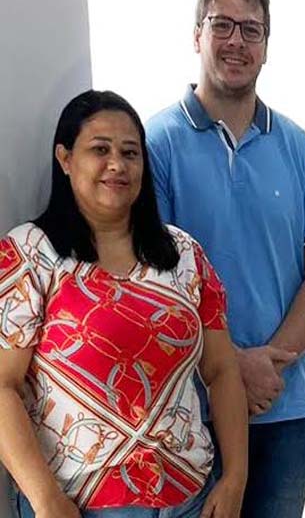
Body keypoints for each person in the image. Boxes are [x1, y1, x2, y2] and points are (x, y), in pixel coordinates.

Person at [146, 0, 305, 517]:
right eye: (223, 25)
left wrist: (267, 368)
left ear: (266, 46)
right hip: (190, 411)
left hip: (284, 407)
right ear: (196, 35)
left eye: (251, 30)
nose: (237, 41)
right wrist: (230, 369)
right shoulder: (153, 144)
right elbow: (151, 283)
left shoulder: (302, 151)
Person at [0, 90, 247, 518]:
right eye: (100, 149)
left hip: (190, 498)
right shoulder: (29, 256)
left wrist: (235, 478)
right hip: (79, 504)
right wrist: (45, 500)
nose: (117, 164)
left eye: (130, 152)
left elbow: (222, 371)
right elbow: (3, 386)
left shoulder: (185, 256)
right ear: (65, 158)